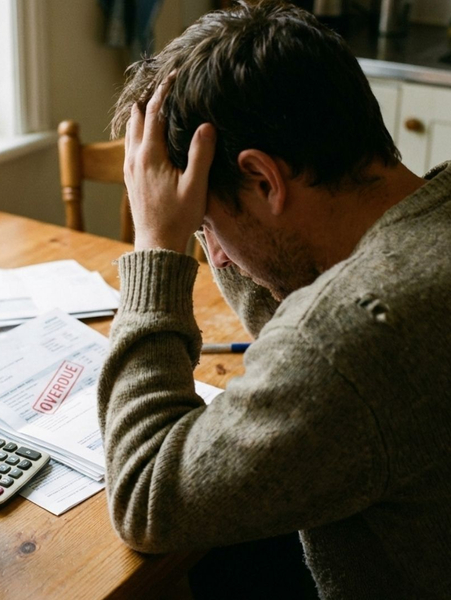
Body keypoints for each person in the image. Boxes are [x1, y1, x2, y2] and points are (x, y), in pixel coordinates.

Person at [96, 1, 451, 598]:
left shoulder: (355, 335)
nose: (220, 260)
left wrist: (159, 244)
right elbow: (298, 296)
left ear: (264, 180)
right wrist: (211, 217)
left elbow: (144, 495)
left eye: (205, 229)